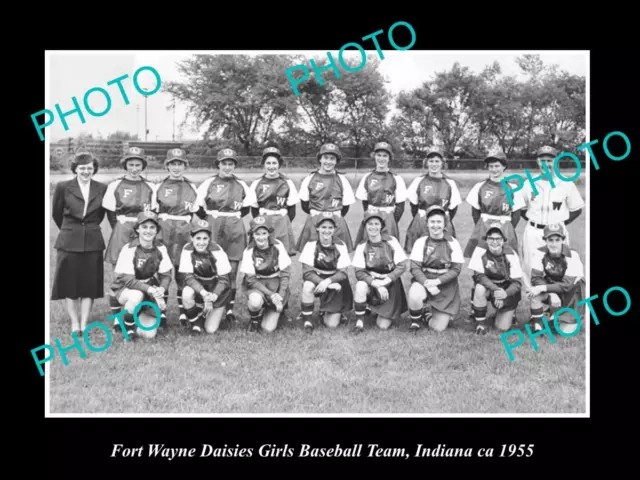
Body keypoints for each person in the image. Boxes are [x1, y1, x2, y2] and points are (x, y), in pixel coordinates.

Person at [191, 147, 257, 325]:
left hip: (234, 227)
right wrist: (212, 219)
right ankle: (205, 304)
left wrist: (230, 219)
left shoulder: (242, 184)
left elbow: (246, 208)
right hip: (213, 224)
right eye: (224, 163)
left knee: (232, 270)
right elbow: (198, 206)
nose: (227, 167)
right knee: (209, 266)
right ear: (218, 164)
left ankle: (229, 309)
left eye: (230, 163)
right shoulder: (208, 183)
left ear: (234, 165)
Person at [51, 149, 107, 336]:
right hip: (68, 241)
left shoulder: (102, 188)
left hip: (92, 240)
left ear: (94, 169)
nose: (85, 171)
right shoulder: (62, 187)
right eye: (82, 168)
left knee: (89, 283)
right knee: (70, 283)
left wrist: (87, 229)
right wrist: (71, 230)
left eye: (89, 168)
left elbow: (100, 216)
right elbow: (57, 214)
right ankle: (75, 323)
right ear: (75, 169)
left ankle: (84, 323)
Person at [103, 146, 156, 329]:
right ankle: (118, 316)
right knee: (120, 273)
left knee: (141, 270)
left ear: (143, 165)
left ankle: (135, 309)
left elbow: (153, 212)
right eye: (131, 164)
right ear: (125, 165)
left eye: (138, 164)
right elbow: (110, 213)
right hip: (123, 228)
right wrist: (121, 227)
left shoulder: (150, 186)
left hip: (143, 229)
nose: (134, 168)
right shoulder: (114, 185)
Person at [518, 145, 585, 289]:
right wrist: (535, 221)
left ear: (556, 162)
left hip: (557, 234)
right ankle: (536, 307)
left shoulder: (566, 183)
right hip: (534, 232)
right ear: (537, 161)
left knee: (559, 269)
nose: (546, 164)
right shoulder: (528, 183)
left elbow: (576, 210)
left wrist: (559, 223)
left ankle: (556, 307)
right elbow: (522, 209)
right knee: (531, 269)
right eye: (543, 160)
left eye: (550, 160)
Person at [152, 148, 198, 329]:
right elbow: (153, 212)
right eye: (173, 164)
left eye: (180, 164)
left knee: (182, 271)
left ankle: (183, 313)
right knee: (162, 271)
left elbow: (196, 212)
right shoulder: (158, 186)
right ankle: (161, 312)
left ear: (185, 166)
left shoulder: (192, 186)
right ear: (167, 166)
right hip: (164, 230)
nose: (176, 167)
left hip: (184, 231)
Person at [109, 211, 173, 341]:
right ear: (137, 229)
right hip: (126, 289)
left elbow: (166, 275)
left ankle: (136, 316)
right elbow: (128, 280)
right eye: (144, 227)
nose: (148, 231)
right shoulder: (129, 248)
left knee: (148, 335)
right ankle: (129, 332)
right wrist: (151, 290)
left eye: (152, 227)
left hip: (148, 286)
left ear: (157, 230)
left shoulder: (161, 248)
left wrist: (161, 289)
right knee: (136, 295)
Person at [407, 205, 465, 332]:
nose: (435, 225)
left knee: (438, 328)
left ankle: (427, 315)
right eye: (432, 222)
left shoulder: (452, 242)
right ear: (427, 224)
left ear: (445, 224)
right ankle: (415, 322)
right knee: (415, 293)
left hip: (444, 284)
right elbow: (415, 268)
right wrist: (427, 283)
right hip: (425, 280)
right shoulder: (421, 242)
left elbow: (456, 270)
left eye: (439, 222)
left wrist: (437, 282)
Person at [351, 212, 408, 333]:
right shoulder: (362, 245)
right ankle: (359, 323)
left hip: (390, 284)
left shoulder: (391, 241)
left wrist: (386, 281)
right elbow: (359, 273)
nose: (373, 227)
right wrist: (376, 283)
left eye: (376, 224)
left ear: (381, 226)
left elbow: (402, 266)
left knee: (382, 325)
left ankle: (377, 309)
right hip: (373, 283)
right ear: (365, 226)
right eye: (370, 224)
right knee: (361, 285)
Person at [463, 148, 525, 258]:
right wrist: (482, 227)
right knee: (483, 259)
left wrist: (507, 228)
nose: (494, 169)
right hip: (484, 228)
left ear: (504, 166)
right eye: (491, 166)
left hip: (505, 228)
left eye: (497, 166)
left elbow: (516, 215)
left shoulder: (513, 188)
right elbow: (475, 213)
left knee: (506, 260)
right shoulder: (480, 186)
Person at [296, 143, 356, 253]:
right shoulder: (310, 178)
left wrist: (333, 216)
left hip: (336, 221)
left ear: (336, 161)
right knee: (312, 254)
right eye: (326, 158)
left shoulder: (342, 179)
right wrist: (317, 214)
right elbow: (305, 204)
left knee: (337, 254)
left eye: (332, 158)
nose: (328, 161)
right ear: (320, 159)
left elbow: (345, 206)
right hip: (314, 220)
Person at [526, 223, 585, 334]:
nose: (554, 244)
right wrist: (552, 293)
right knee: (535, 291)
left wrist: (543, 287)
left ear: (563, 240)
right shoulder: (539, 253)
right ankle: (539, 321)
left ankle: (556, 316)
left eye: (557, 240)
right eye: (550, 240)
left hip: (572, 294)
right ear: (545, 240)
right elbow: (535, 279)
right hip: (554, 289)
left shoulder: (572, 255)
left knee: (565, 331)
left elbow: (567, 285)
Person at [298, 215, 354, 332]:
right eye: (323, 227)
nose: (327, 231)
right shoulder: (311, 244)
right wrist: (324, 283)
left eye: (330, 227)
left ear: (334, 229)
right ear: (317, 228)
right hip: (317, 278)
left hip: (335, 281)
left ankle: (326, 311)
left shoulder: (340, 245)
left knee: (331, 325)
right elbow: (307, 273)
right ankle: (307, 320)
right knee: (308, 285)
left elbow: (343, 273)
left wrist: (328, 281)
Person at [178, 218, 233, 335]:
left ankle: (205, 313)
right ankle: (196, 323)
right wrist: (204, 293)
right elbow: (188, 278)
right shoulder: (187, 249)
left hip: (216, 290)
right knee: (186, 293)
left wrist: (214, 295)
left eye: (205, 238)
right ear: (191, 238)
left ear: (209, 239)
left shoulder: (217, 251)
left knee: (210, 329)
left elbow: (224, 280)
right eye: (198, 238)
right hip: (200, 288)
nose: (201, 242)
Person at [467, 223, 524, 335]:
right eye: (491, 238)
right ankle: (481, 323)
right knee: (479, 288)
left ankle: (502, 314)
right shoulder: (479, 250)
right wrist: (496, 290)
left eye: (498, 238)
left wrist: (505, 294)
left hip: (506, 289)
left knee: (501, 328)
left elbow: (517, 283)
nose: (494, 242)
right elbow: (479, 276)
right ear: (486, 240)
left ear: (503, 240)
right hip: (490, 287)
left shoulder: (511, 254)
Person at [239, 216, 292, 333]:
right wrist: (271, 295)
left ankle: (277, 311)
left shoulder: (278, 246)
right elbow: (251, 280)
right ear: (252, 235)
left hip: (275, 283)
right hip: (258, 285)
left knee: (268, 328)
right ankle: (254, 320)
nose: (261, 237)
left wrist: (280, 295)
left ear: (269, 233)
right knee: (255, 302)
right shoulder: (249, 251)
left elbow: (285, 273)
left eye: (264, 233)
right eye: (257, 234)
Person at [405, 147, 462, 252]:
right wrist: (422, 219)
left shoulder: (450, 183)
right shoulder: (419, 181)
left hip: (443, 222)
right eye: (431, 161)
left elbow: (453, 208)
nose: (434, 164)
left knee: (443, 254)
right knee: (420, 253)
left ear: (442, 163)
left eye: (437, 161)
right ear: (426, 162)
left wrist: (443, 219)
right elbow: (413, 205)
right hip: (421, 222)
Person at [354, 141, 407, 245]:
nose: (381, 158)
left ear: (389, 158)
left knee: (389, 248)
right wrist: (369, 215)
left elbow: (400, 206)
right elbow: (365, 202)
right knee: (368, 248)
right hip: (371, 217)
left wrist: (391, 220)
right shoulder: (367, 177)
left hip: (388, 216)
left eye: (385, 156)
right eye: (378, 155)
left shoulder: (396, 178)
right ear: (374, 156)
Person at [249, 146, 298, 256]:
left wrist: (283, 222)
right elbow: (254, 210)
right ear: (264, 164)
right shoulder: (257, 183)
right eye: (268, 163)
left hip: (282, 220)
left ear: (279, 164)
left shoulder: (287, 182)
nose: (271, 166)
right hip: (264, 220)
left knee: (282, 255)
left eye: (274, 163)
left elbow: (292, 210)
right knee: (264, 253)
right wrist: (261, 224)